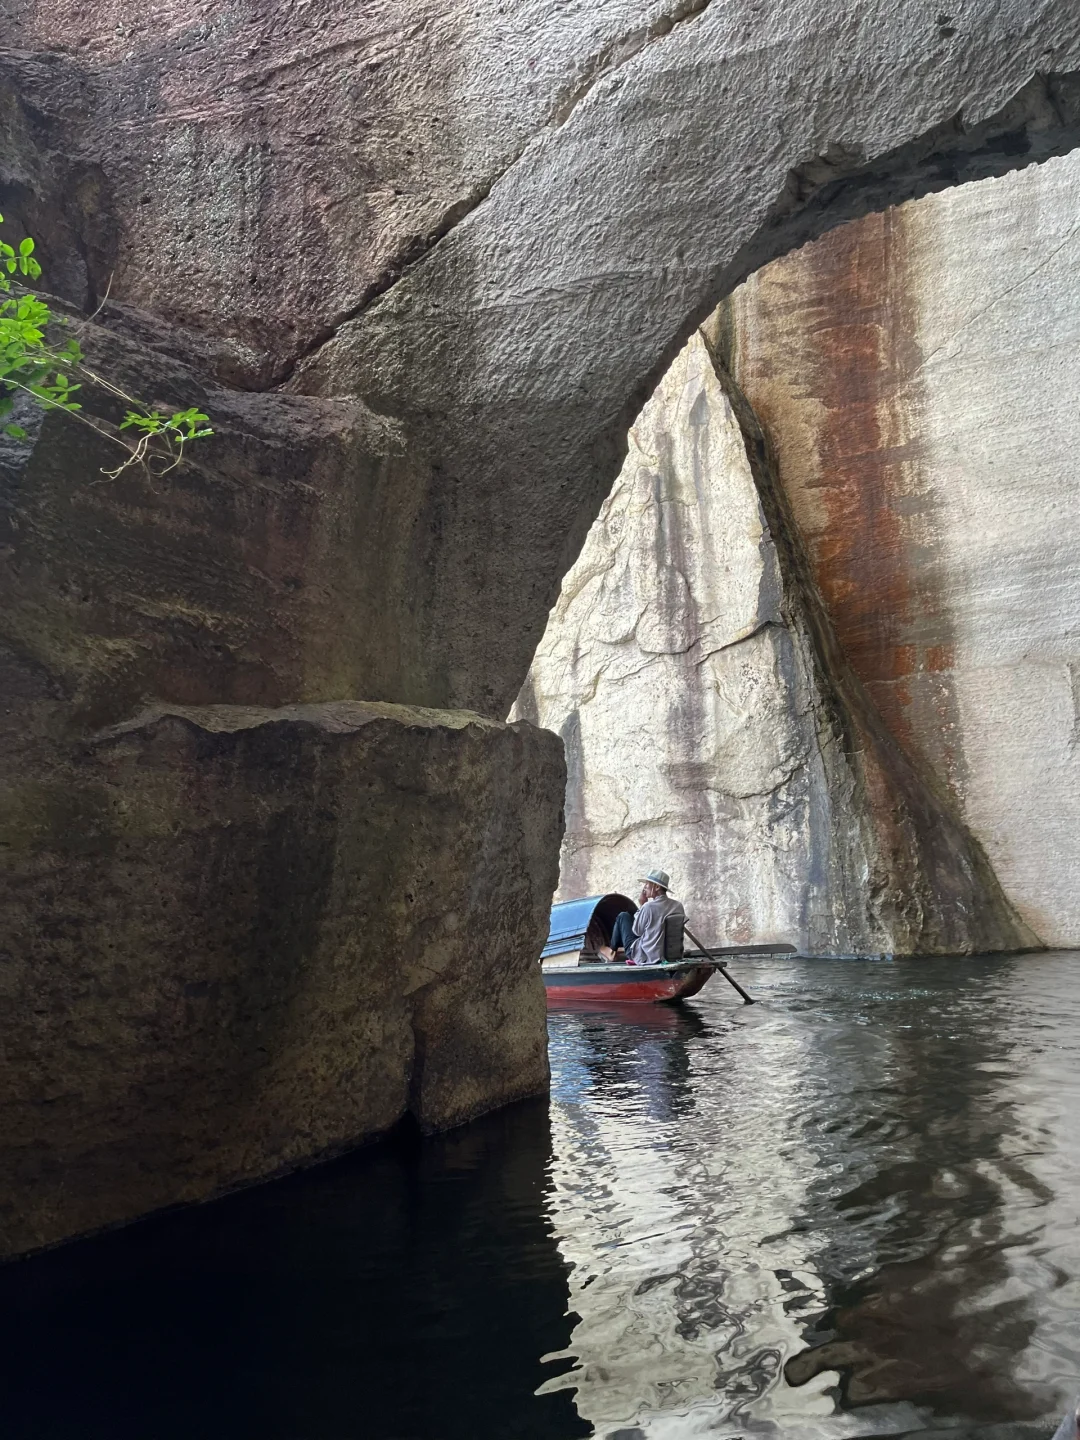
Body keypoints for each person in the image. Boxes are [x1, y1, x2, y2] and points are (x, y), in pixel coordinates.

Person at [602, 870, 686, 966]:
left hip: (646, 956)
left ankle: (612, 951)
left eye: (647, 884)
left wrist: (642, 905)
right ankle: (616, 950)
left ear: (657, 887)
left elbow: (637, 932)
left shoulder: (648, 907)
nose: (644, 887)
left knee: (623, 916)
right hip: (668, 955)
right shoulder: (678, 906)